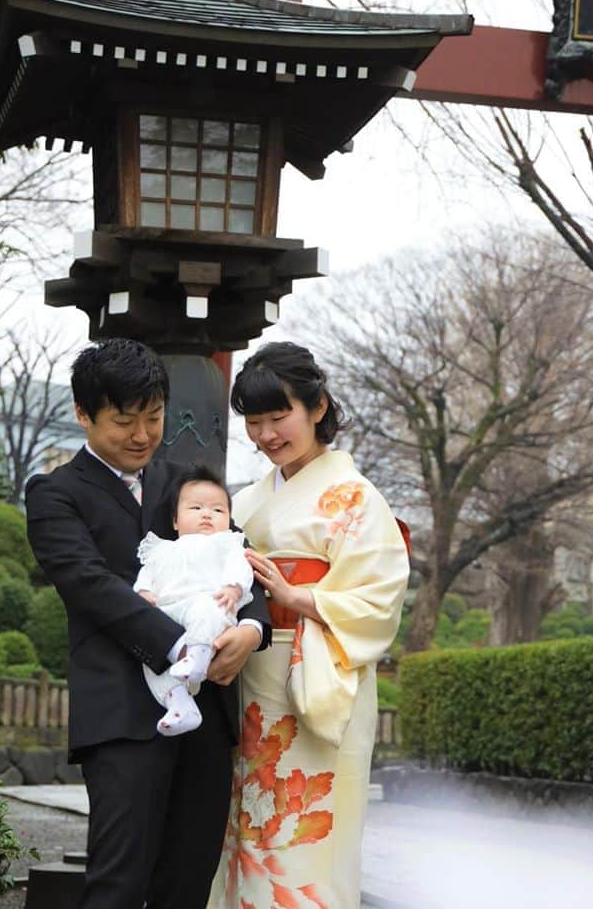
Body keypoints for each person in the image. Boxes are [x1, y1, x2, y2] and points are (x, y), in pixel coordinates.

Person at [25, 338, 272, 909]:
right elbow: (92, 588)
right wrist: (189, 646)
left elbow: (242, 560)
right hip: (121, 714)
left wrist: (250, 631)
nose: (142, 435)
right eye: (124, 421)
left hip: (206, 711)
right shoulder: (55, 495)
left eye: (154, 418)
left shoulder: (185, 483)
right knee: (119, 879)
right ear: (84, 414)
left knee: (189, 878)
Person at [207, 342, 410, 909]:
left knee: (308, 830)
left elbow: (379, 597)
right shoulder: (245, 503)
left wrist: (297, 595)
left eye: (280, 416)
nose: (267, 433)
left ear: (317, 407)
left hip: (316, 673)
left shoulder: (356, 499)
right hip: (248, 675)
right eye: (253, 421)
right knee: (243, 824)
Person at [134, 468, 255, 737]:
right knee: (151, 662)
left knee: (207, 610)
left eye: (218, 510)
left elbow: (241, 568)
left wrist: (233, 588)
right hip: (167, 614)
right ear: (175, 521)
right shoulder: (162, 548)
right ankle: (180, 705)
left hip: (210, 604)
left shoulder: (227, 543)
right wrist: (143, 593)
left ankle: (198, 656)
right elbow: (147, 575)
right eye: (196, 507)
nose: (207, 514)